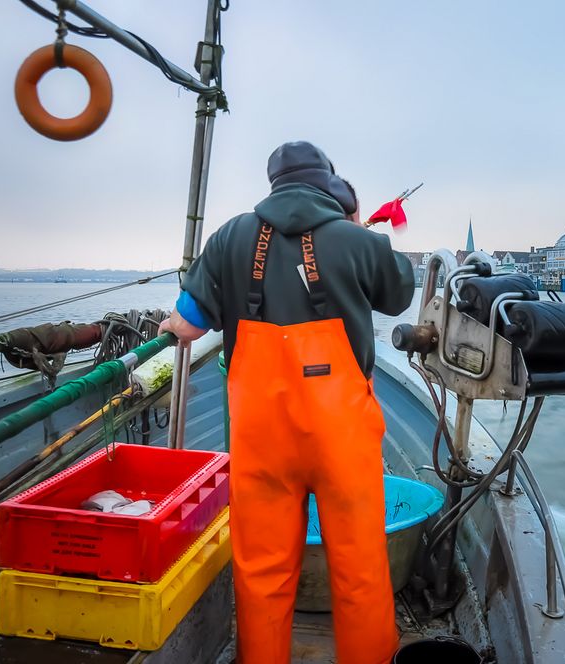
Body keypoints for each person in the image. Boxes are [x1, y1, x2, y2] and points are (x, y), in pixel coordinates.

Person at [160, 141, 415, 664]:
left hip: (261, 437)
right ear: (327, 183)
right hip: (341, 434)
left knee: (262, 572)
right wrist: (363, 231)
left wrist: (166, 326)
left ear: (273, 183)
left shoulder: (231, 236)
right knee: (360, 568)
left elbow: (188, 325)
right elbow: (399, 296)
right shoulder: (354, 238)